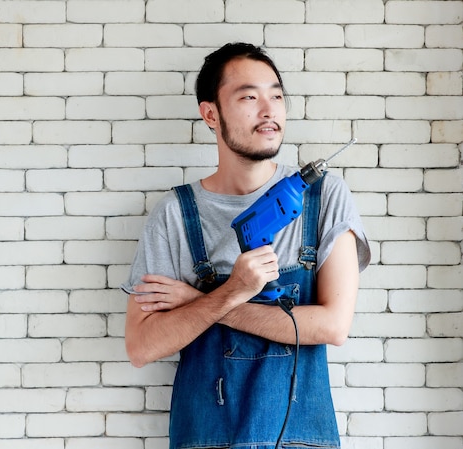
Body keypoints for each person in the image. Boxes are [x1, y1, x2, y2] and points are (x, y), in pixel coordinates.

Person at [123, 43, 371, 449]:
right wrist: (233, 290)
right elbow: (141, 346)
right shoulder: (174, 214)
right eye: (249, 97)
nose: (269, 110)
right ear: (210, 114)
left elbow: (333, 326)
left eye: (276, 95)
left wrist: (197, 301)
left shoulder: (324, 198)